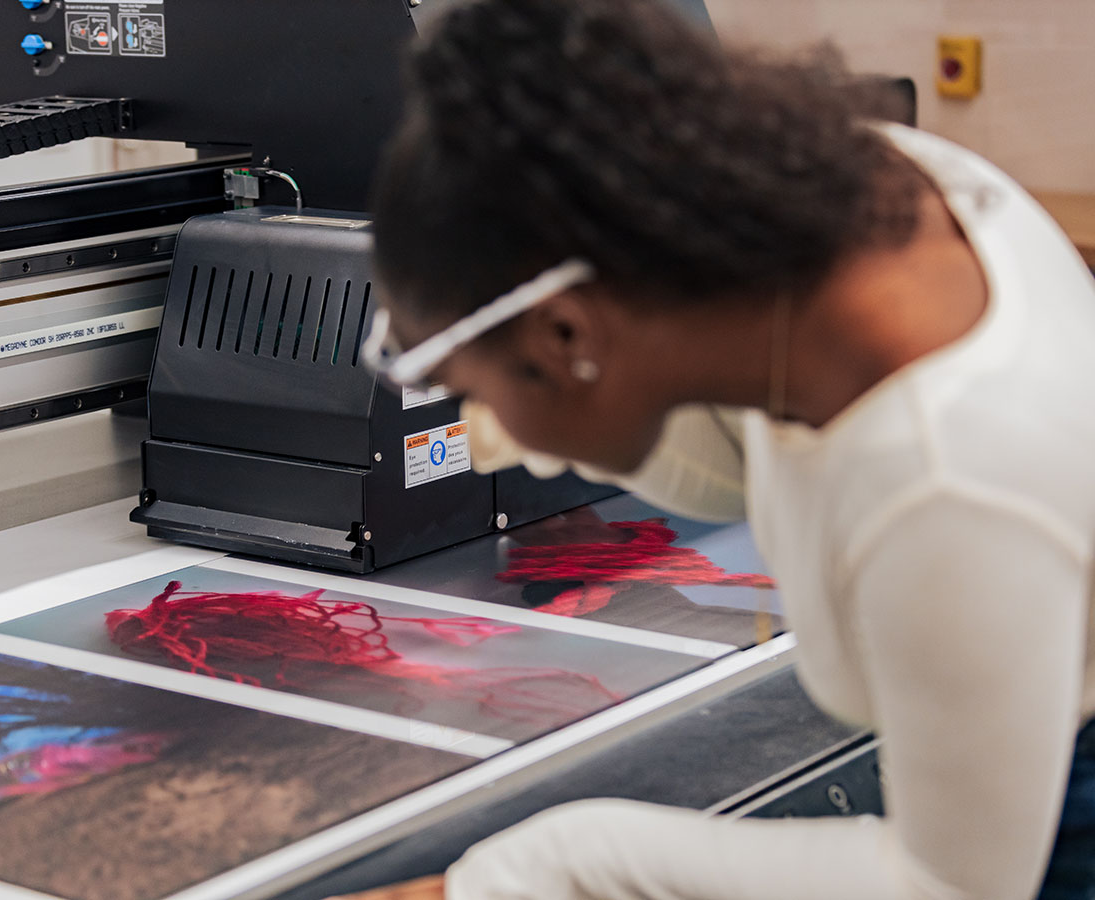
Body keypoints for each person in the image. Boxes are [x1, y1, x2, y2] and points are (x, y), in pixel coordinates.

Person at [337, 0, 1095, 897]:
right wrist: (528, 414)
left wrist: (545, 870)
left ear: (569, 338)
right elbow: (735, 457)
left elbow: (948, 885)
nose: (468, 417)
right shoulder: (834, 207)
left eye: (466, 385)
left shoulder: (949, 478)